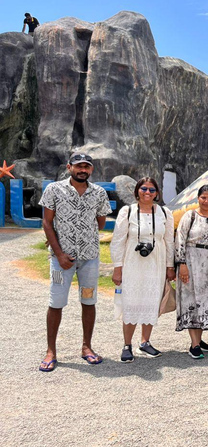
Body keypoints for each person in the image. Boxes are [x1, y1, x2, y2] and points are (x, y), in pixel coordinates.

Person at [38, 153, 112, 372]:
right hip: (60, 260)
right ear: (69, 167)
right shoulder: (54, 190)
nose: (83, 170)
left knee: (89, 301)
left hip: (89, 258)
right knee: (56, 302)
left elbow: (100, 223)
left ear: (91, 170)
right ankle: (51, 351)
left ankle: (87, 347)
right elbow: (47, 222)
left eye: (87, 167)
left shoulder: (99, 193)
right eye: (79, 166)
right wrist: (60, 254)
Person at [110, 177, 175, 363]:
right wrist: (117, 267)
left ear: (157, 193)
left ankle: (145, 342)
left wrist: (170, 266)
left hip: (156, 263)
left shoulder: (165, 213)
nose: (148, 192)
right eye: (144, 189)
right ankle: (127, 345)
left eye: (152, 190)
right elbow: (118, 240)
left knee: (151, 301)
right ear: (137, 191)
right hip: (132, 263)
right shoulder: (128, 211)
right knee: (131, 302)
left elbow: (169, 241)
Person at [174, 185, 208, 359]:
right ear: (198, 198)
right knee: (191, 300)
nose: (206, 201)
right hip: (191, 262)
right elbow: (180, 239)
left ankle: (199, 339)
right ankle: (194, 344)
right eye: (203, 197)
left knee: (205, 300)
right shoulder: (189, 216)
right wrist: (181, 263)